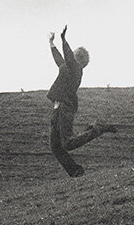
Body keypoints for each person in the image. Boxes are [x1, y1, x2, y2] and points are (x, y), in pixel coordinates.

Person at [47, 25, 116, 177]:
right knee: (56, 147)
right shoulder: (67, 68)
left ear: (79, 59)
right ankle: (76, 171)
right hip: (57, 109)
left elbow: (67, 57)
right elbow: (59, 59)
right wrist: (52, 43)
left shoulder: (76, 69)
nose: (70, 54)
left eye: (73, 53)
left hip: (65, 108)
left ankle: (97, 129)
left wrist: (64, 40)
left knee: (68, 143)